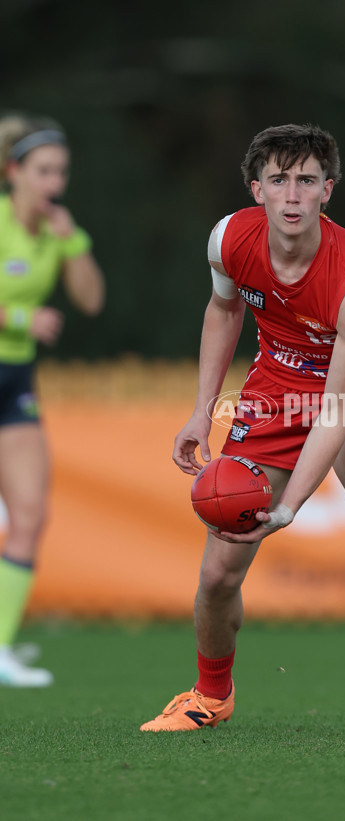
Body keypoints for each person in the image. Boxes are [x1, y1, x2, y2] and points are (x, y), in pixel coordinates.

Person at [141, 124, 345, 735]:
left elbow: (337, 411)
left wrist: (291, 503)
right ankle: (210, 696)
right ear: (255, 189)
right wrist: (199, 410)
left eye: (307, 181)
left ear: (328, 191)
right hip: (272, 396)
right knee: (216, 577)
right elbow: (225, 308)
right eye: (279, 180)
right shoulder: (228, 240)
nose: (292, 196)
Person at [0, 113, 105, 686]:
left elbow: (90, 300)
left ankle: (0, 647)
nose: (54, 184)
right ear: (13, 171)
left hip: (14, 380)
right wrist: (19, 316)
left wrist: (72, 242)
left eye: (61, 172)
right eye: (43, 171)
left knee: (31, 512)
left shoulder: (53, 231)